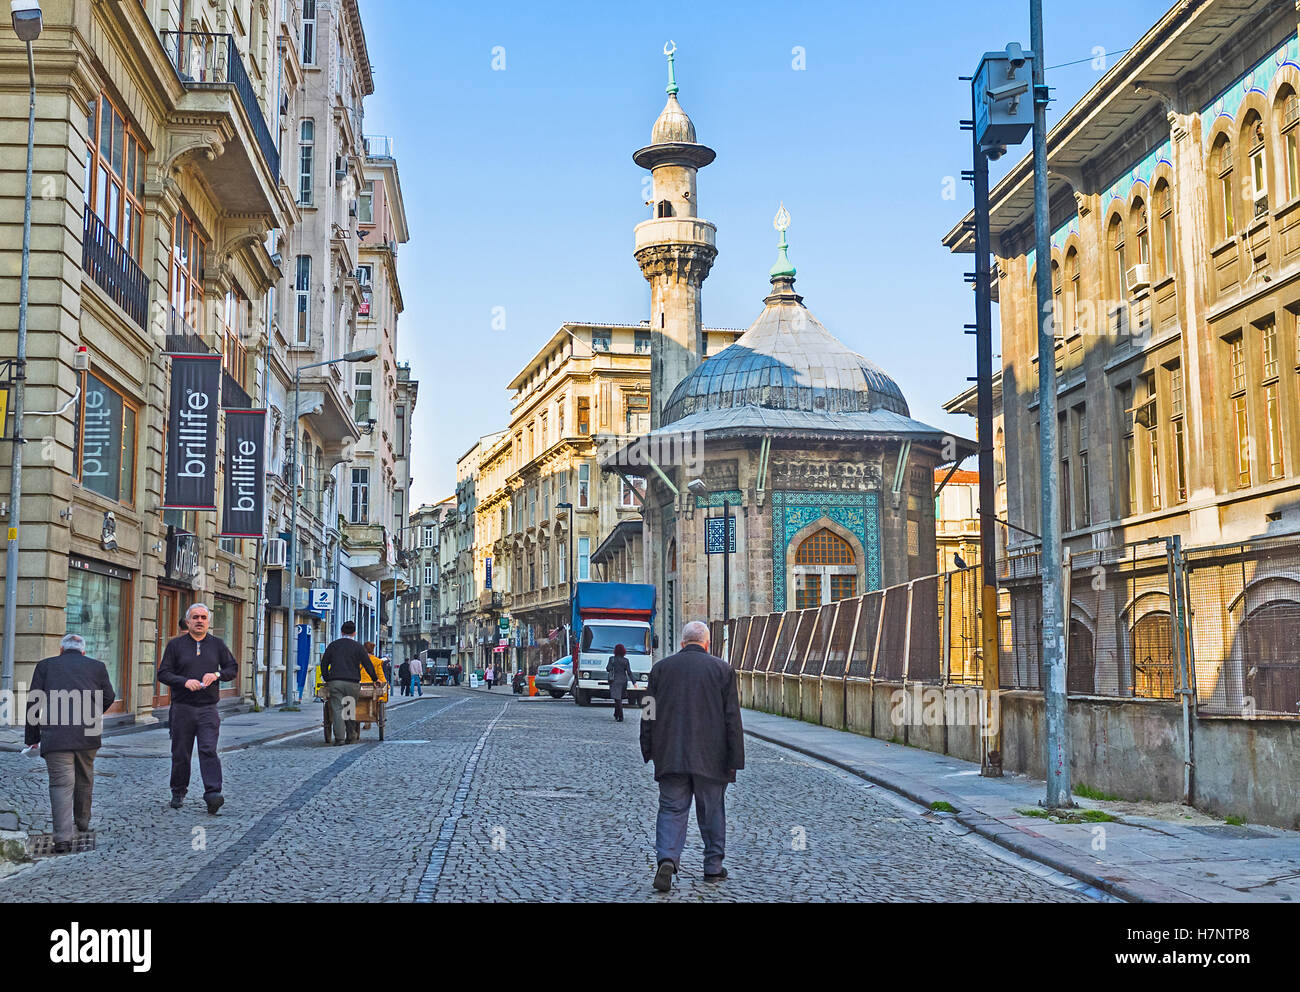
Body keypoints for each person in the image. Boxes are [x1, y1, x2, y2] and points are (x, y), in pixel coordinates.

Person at [640, 621, 744, 892]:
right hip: (712, 757)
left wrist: (647, 745)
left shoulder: (660, 670)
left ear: (683, 643)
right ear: (707, 644)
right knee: (712, 811)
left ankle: (667, 858)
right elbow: (732, 717)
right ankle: (713, 866)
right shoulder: (722, 670)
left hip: (671, 754)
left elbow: (648, 709)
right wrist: (735, 758)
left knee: (672, 809)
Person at [24, 634, 116, 854]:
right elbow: (109, 696)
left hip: (56, 735)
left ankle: (63, 838)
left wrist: (32, 738)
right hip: (88, 733)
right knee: (85, 777)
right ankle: (82, 822)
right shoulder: (97, 666)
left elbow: (34, 702)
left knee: (60, 784)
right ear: (83, 651)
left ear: (61, 650)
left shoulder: (46, 666)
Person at [158, 603, 239, 814]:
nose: (199, 621)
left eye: (203, 617)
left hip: (208, 708)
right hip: (182, 707)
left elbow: (232, 668)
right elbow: (163, 673)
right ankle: (178, 791)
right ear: (188, 621)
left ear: (209, 622)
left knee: (208, 749)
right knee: (181, 752)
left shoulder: (217, 645)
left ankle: (213, 794)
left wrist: (217, 675)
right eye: (195, 617)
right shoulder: (175, 646)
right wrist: (183, 682)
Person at [319, 621, 378, 746]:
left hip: (336, 681)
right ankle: (350, 735)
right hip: (352, 683)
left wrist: (327, 678)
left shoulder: (333, 645)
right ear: (354, 633)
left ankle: (339, 738)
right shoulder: (358, 647)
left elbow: (324, 663)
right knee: (349, 709)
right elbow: (367, 664)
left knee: (337, 710)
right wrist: (374, 679)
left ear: (341, 632)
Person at [606, 643, 634, 722]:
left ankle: (620, 716)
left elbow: (608, 669)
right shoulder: (626, 660)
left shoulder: (612, 659)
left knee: (617, 699)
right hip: (623, 681)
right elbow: (629, 672)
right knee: (619, 698)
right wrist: (634, 682)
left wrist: (612, 666)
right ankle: (616, 713)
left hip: (614, 680)